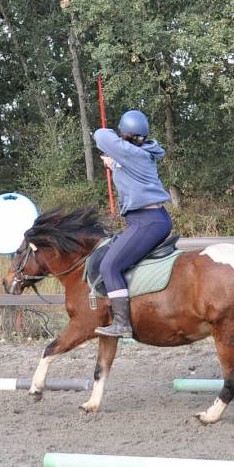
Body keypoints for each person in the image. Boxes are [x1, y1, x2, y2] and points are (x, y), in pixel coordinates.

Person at [92, 110, 173, 337]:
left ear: (124, 134)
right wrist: (112, 163)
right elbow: (126, 164)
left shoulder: (130, 153)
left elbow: (101, 135)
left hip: (146, 222)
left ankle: (121, 324)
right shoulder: (142, 152)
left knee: (109, 266)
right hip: (155, 219)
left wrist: (113, 150)